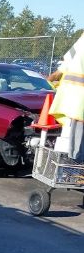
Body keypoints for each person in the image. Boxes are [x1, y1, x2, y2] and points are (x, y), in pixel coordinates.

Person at [49, 33, 84, 161]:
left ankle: (75, 165)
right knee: (77, 140)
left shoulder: (82, 41)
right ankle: (76, 166)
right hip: (78, 103)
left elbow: (63, 68)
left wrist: (50, 79)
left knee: (76, 139)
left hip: (74, 102)